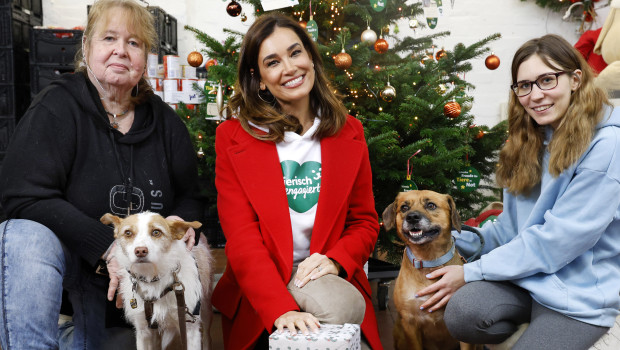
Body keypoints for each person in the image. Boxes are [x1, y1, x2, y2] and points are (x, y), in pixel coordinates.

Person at [0, 0, 203, 349]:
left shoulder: (165, 123)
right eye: (109, 39)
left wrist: (178, 220)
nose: (121, 51)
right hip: (70, 286)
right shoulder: (56, 107)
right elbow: (21, 196)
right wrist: (105, 247)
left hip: (144, 296)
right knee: (22, 237)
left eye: (134, 43)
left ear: (145, 57)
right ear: (87, 47)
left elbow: (192, 195)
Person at [416, 34, 620, 350]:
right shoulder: (528, 143)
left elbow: (557, 241)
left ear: (575, 79)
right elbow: (510, 229)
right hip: (527, 282)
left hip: (577, 294)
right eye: (524, 86)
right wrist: (449, 237)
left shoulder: (607, 146)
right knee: (462, 313)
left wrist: (471, 271)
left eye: (547, 80)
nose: (535, 95)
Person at [212, 12, 383, 350]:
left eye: (295, 53)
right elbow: (242, 240)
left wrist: (335, 260)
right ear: (259, 78)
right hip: (261, 289)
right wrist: (281, 309)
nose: (289, 68)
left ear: (310, 58)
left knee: (337, 310)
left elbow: (364, 221)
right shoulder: (231, 138)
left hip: (323, 278)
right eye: (272, 62)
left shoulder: (350, 132)